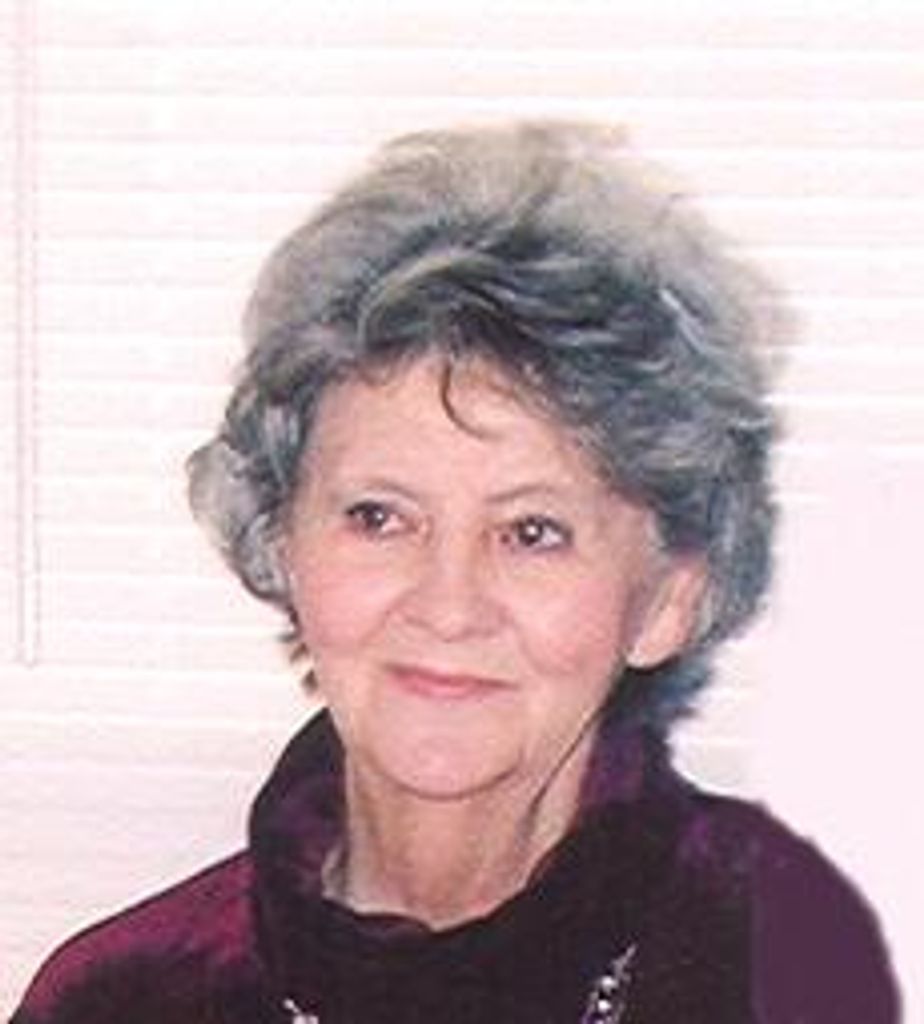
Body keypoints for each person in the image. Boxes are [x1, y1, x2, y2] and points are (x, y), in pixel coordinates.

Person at [12, 121, 899, 1023]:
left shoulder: (783, 968)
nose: (448, 606)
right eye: (379, 517)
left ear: (669, 598)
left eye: (532, 532)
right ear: (282, 542)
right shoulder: (120, 1001)